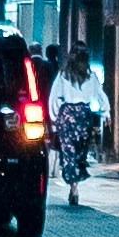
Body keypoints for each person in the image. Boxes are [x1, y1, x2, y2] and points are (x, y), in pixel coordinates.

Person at [47, 40, 109, 209]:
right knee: (80, 152)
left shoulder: (63, 74)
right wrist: (105, 113)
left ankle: (73, 186)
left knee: (69, 154)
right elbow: (100, 95)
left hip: (67, 116)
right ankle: (76, 186)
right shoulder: (91, 76)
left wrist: (54, 120)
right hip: (83, 117)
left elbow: (53, 98)